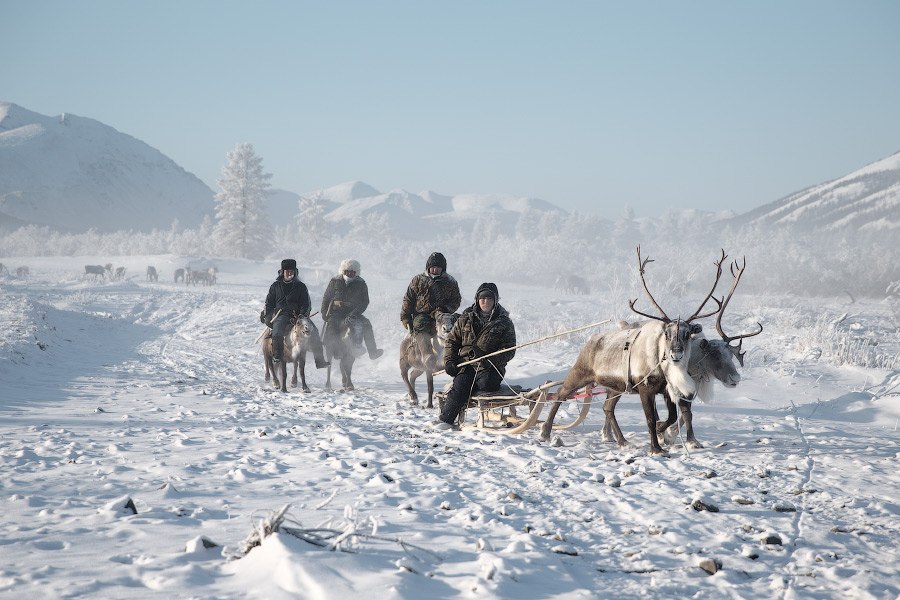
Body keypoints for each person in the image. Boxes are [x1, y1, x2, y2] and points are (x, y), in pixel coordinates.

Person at [434, 282, 517, 430]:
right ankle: (445, 421)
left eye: (489, 298)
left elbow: (509, 350)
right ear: (477, 299)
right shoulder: (465, 319)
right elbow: (452, 341)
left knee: (486, 384)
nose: (485, 301)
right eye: (482, 298)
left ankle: (469, 393)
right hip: (466, 364)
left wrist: (489, 359)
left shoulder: (504, 322)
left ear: (495, 300)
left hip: (491, 368)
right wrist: (450, 360)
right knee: (461, 385)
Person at [261, 258, 329, 369]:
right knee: (277, 330)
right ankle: (277, 355)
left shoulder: (301, 286)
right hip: (281, 315)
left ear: (295, 272)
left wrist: (302, 314)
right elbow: (269, 303)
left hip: (299, 316)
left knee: (314, 331)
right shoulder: (275, 286)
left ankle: (320, 360)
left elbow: (306, 303)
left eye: (292, 271)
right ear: (282, 272)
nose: (289, 273)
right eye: (287, 271)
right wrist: (268, 317)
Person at [400, 252, 462, 355]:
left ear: (443, 268)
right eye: (432, 267)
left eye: (438, 267)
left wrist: (446, 309)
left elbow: (456, 300)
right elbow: (408, 299)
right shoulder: (418, 280)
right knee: (420, 324)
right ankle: (427, 355)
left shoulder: (450, 282)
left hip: (442, 314)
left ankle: (452, 355)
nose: (435, 270)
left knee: (455, 325)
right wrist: (405, 316)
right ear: (428, 267)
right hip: (422, 314)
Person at [321, 259, 383, 360]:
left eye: (352, 272)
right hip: (336, 312)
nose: (350, 274)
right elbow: (326, 298)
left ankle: (373, 352)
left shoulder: (361, 283)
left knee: (366, 324)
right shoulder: (335, 281)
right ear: (343, 271)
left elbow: (365, 301)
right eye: (347, 271)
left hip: (353, 312)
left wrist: (355, 312)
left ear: (356, 273)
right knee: (332, 327)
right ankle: (335, 351)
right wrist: (324, 313)